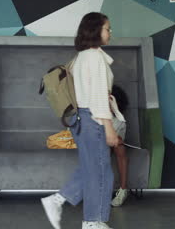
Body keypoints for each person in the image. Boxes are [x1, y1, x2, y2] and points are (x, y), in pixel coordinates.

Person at [41, 12, 120, 229]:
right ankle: (93, 222)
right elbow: (97, 98)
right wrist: (109, 128)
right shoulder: (94, 57)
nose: (110, 32)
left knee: (94, 170)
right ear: (95, 30)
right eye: (107, 28)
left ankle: (60, 202)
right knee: (101, 172)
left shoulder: (80, 57)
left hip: (80, 120)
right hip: (93, 119)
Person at [109, 85, 129, 207]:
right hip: (100, 129)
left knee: (120, 148)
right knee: (103, 151)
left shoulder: (119, 120)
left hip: (115, 125)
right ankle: (101, 190)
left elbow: (120, 124)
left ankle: (123, 190)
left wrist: (117, 140)